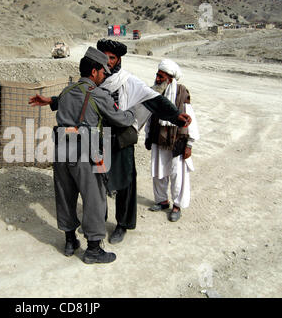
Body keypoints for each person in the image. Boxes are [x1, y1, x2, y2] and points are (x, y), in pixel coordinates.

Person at [30, 40, 191, 245]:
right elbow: (79, 97)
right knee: (98, 186)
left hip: (121, 138)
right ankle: (97, 224)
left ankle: (122, 225)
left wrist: (176, 116)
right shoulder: (95, 81)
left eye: (111, 58)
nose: (107, 63)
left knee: (125, 183)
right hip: (97, 142)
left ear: (119, 60)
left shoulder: (128, 81)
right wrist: (52, 101)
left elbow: (154, 100)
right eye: (104, 58)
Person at [48, 46, 137, 264]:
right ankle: (94, 249)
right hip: (85, 153)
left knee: (65, 196)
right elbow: (121, 119)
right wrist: (134, 112)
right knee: (94, 199)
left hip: (60, 151)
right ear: (94, 71)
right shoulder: (97, 95)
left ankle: (70, 242)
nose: (105, 75)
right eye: (103, 72)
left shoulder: (67, 91)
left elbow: (56, 105)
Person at [145, 59, 200, 222]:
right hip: (158, 137)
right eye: (157, 75)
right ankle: (162, 201)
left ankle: (177, 205)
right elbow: (149, 116)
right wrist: (148, 135)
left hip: (177, 140)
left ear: (170, 78)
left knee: (178, 174)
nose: (158, 78)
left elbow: (191, 120)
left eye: (161, 76)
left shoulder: (182, 92)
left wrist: (189, 144)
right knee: (158, 171)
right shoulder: (154, 92)